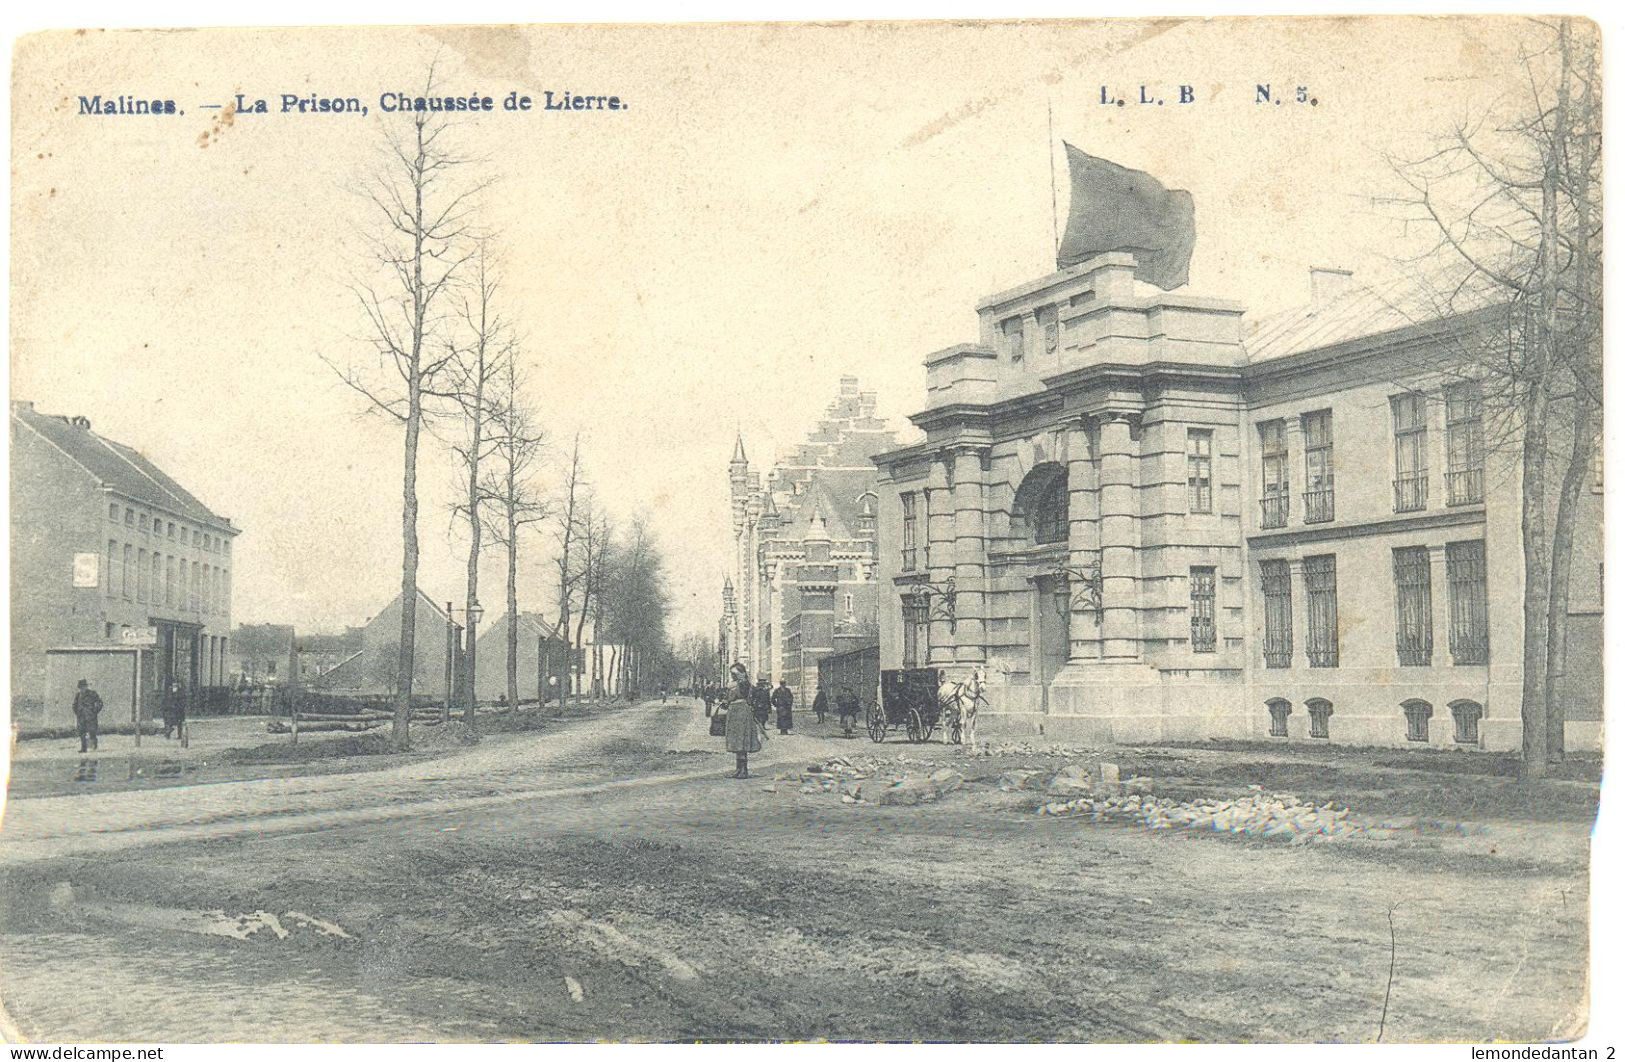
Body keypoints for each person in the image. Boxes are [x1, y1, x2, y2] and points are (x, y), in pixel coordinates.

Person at [723, 663, 761, 778]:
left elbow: (742, 693)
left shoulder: (744, 684)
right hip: (734, 713)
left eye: (735, 674)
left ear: (742, 673)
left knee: (742, 741)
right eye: (732, 674)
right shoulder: (735, 684)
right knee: (736, 741)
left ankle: (743, 770)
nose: (733, 676)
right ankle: (738, 769)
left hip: (742, 714)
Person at [71, 678, 103, 753]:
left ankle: (94, 746)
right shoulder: (78, 695)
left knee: (92, 731)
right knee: (82, 732)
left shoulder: (92, 693)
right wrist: (77, 712)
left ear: (86, 686)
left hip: (90, 716)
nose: (82, 689)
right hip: (81, 717)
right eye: (80, 687)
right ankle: (83, 748)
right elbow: (74, 705)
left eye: (83, 687)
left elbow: (100, 703)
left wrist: (95, 711)